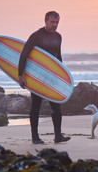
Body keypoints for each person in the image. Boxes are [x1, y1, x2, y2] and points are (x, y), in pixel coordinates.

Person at [18, 11, 71, 144]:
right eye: (52, 22)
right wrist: (20, 75)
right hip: (37, 77)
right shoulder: (36, 36)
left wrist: (62, 76)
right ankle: (35, 137)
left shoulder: (58, 37)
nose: (55, 25)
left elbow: (58, 58)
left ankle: (58, 135)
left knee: (56, 106)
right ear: (45, 21)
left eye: (57, 22)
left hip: (52, 77)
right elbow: (24, 55)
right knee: (36, 106)